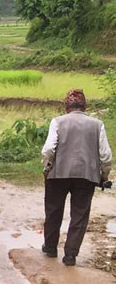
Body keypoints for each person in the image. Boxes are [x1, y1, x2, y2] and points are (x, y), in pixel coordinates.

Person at [41, 90, 112, 266]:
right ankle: (70, 255)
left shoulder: (58, 121)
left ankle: (50, 247)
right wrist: (104, 176)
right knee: (79, 214)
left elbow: (48, 149)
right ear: (85, 106)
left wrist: (47, 167)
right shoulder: (97, 124)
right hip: (87, 175)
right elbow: (105, 155)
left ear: (66, 106)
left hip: (58, 173)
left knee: (53, 210)